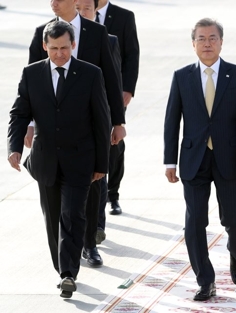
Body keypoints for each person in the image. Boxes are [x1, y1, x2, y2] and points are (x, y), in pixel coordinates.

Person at [7, 21, 111, 298]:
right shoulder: (32, 74)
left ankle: (68, 273)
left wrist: (102, 165)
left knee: (72, 215)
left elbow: (102, 121)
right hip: (45, 161)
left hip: (81, 161)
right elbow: (19, 113)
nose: (60, 54)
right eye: (54, 48)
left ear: (73, 44)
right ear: (45, 46)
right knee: (53, 219)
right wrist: (14, 147)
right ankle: (61, 268)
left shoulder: (90, 74)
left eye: (65, 47)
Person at [163, 18, 236, 301]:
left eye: (212, 38)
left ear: (221, 42)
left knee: (235, 219)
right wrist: (170, 162)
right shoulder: (181, 77)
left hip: (230, 159)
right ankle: (205, 280)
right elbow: (172, 121)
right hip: (193, 160)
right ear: (193, 44)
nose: (207, 43)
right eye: (201, 39)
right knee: (194, 223)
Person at [26, 0, 126, 267]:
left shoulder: (97, 33)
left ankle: (90, 244)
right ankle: (66, 251)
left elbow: (112, 79)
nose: (53, 3)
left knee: (93, 185)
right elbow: (32, 84)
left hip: (93, 123)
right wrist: (30, 124)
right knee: (61, 197)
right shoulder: (41, 32)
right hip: (54, 130)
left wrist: (118, 121)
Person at [76, 0, 122, 245]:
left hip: (98, 120)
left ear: (96, 12)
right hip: (66, 123)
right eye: (77, 7)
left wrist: (117, 121)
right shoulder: (53, 36)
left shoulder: (106, 38)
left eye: (86, 8)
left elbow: (113, 82)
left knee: (98, 177)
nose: (81, 12)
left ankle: (96, 229)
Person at [97, 0, 140, 216]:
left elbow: (132, 54)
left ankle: (113, 195)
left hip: (113, 91)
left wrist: (128, 89)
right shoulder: (77, 11)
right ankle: (98, 196)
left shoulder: (124, 16)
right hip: (86, 93)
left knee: (115, 145)